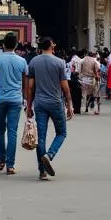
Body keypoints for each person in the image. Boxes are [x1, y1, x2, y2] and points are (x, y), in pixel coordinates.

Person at [27, 36, 73, 180]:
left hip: (40, 102)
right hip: (55, 101)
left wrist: (29, 105)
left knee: (41, 137)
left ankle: (42, 171)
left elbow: (30, 87)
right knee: (61, 132)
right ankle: (50, 154)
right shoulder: (59, 62)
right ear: (52, 46)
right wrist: (69, 104)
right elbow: (64, 86)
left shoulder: (34, 61)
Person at [0, 32, 28, 174]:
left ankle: (1, 159)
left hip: (0, 98)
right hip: (16, 99)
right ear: (16, 45)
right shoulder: (22, 61)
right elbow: (25, 83)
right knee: (12, 132)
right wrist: (26, 99)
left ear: (3, 45)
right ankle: (10, 165)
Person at [80, 50, 102, 115]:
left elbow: (80, 70)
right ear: (93, 55)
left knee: (87, 93)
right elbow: (97, 70)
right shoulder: (95, 61)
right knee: (97, 93)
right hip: (92, 78)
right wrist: (98, 76)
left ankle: (86, 108)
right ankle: (98, 109)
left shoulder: (83, 60)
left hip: (84, 79)